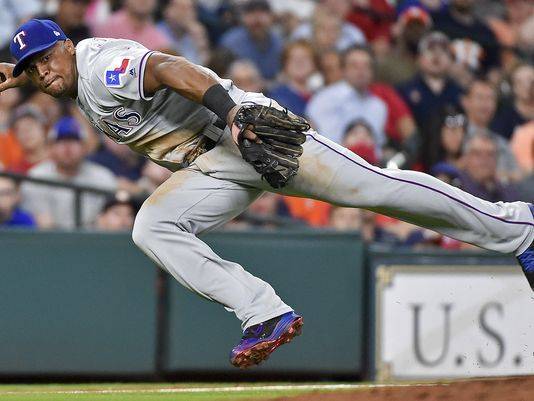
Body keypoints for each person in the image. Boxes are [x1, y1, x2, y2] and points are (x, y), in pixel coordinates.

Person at [1, 18, 533, 370]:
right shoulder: (69, 75)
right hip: (210, 164)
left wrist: (231, 112)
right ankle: (264, 313)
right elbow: (55, 76)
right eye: (33, 67)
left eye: (47, 57)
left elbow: (168, 68)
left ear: (68, 44)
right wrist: (23, 75)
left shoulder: (97, 64)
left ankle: (517, 227)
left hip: (245, 133)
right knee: (152, 227)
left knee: (381, 190)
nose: (44, 70)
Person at [20, 116, 116, 229]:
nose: (67, 148)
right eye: (61, 142)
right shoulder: (36, 177)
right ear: (50, 147)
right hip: (49, 241)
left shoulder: (103, 177)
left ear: (85, 147)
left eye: (74, 141)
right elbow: (42, 224)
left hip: (93, 240)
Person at [306, 45, 387, 147]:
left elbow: (378, 148)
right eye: (354, 66)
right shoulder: (324, 99)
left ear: (372, 72)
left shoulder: (379, 106)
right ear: (343, 70)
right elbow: (319, 142)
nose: (361, 71)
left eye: (366, 66)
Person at [219, 0, 283, 80]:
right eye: (251, 12)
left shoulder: (278, 42)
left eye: (262, 12)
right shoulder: (230, 42)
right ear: (243, 17)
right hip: (238, 89)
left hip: (270, 90)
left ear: (271, 17)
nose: (257, 19)